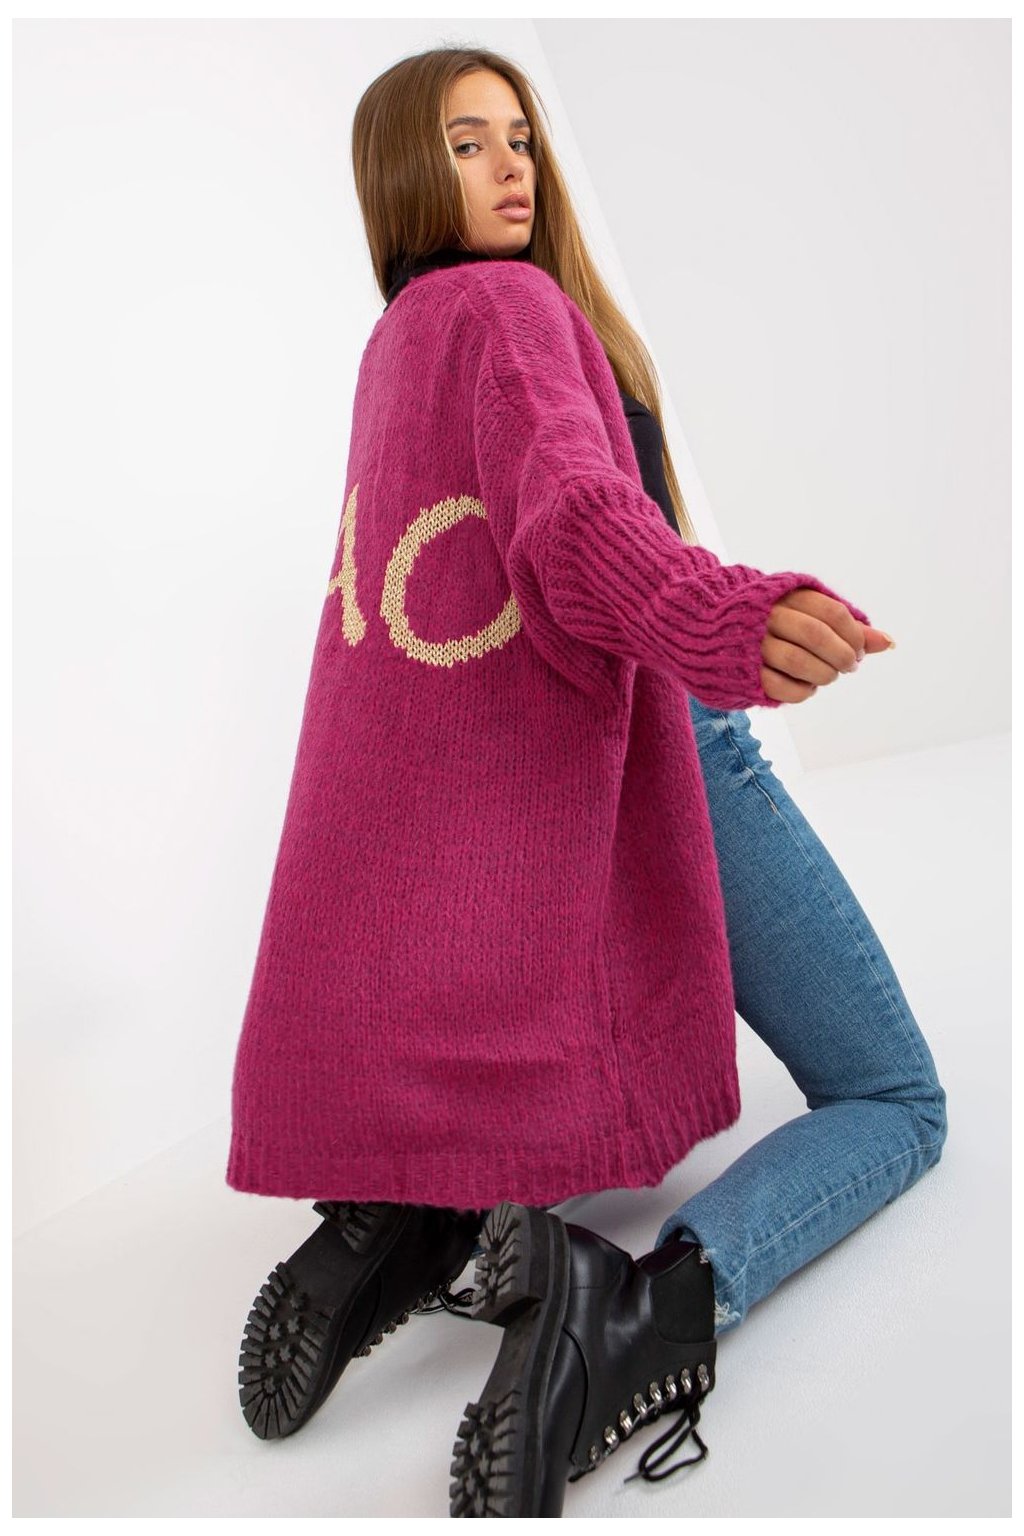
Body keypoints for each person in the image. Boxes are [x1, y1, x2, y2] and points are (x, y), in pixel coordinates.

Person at [227, 47, 948, 1519]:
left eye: (521, 135)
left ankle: (417, 1210)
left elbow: (420, 612)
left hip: (595, 730)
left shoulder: (402, 343)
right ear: (402, 172)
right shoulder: (510, 310)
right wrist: (722, 618)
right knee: (896, 1099)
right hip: (672, 727)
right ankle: (641, 1311)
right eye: (466, 142)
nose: (511, 165)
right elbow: (574, 523)